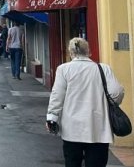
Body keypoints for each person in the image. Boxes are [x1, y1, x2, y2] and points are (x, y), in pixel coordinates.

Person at [46, 37, 124, 167]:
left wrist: (51, 118)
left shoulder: (63, 69)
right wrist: (109, 104)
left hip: (72, 129)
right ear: (88, 51)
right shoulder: (103, 69)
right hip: (99, 127)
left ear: (71, 52)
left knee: (72, 163)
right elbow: (117, 92)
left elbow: (57, 95)